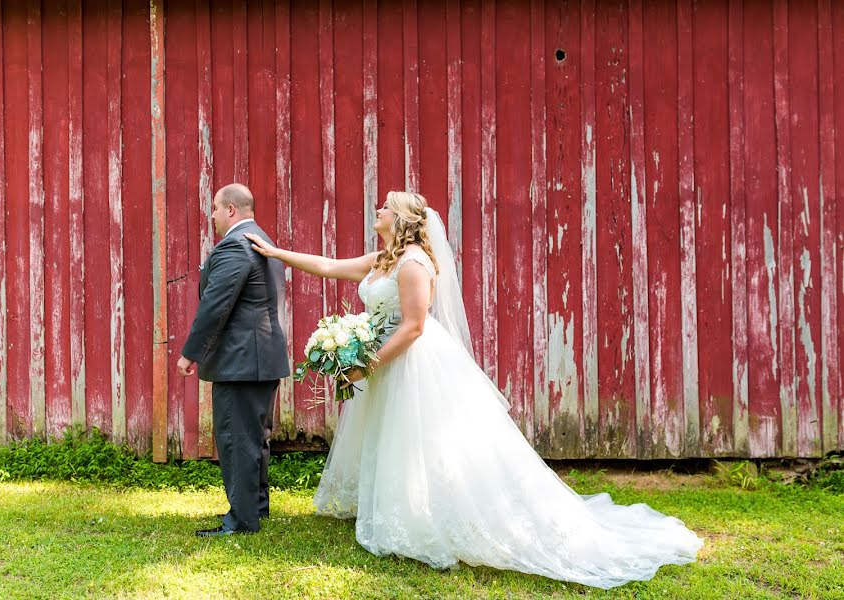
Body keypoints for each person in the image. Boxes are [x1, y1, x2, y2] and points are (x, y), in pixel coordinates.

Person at [245, 191, 702, 588]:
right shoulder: (384, 259)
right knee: (396, 441)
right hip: (387, 362)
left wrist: (365, 366)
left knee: (428, 442)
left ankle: (438, 516)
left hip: (412, 364)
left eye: (385, 206)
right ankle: (403, 509)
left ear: (401, 220)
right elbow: (328, 265)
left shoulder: (413, 264)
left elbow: (414, 328)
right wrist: (277, 253)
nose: (377, 209)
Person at [178, 183, 289, 537]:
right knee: (254, 438)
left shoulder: (236, 246)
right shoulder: (261, 239)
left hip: (240, 360)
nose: (211, 215)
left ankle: (242, 520)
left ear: (231, 210)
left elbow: (215, 305)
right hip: (261, 357)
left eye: (214, 208)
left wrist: (189, 353)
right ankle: (255, 508)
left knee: (236, 438)